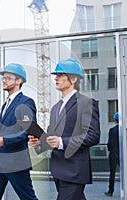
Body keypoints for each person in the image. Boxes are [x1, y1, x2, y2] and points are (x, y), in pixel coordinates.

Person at [29, 58, 101, 200]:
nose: (56, 78)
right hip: (58, 169)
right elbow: (52, 136)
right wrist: (40, 143)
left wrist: (62, 142)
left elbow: (93, 136)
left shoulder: (87, 103)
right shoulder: (56, 107)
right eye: (56, 75)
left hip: (74, 171)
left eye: (61, 75)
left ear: (73, 79)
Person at [0, 63, 38, 200]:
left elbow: (29, 131)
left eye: (8, 78)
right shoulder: (5, 104)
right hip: (0, 160)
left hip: (16, 161)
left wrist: (3, 141)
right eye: (3, 78)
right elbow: (6, 132)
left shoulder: (25, 102)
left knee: (27, 197)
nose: (4, 80)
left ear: (19, 81)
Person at [105, 112, 120, 197]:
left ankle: (111, 191)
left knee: (112, 173)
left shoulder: (112, 130)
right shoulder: (123, 130)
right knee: (125, 172)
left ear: (115, 119)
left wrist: (110, 149)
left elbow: (110, 144)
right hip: (122, 154)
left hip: (113, 154)